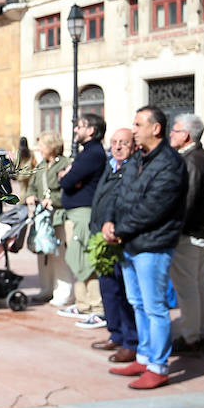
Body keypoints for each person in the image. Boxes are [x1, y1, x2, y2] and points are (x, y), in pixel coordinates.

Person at [102, 106, 185, 390]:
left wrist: (120, 230)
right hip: (129, 243)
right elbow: (120, 193)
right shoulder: (139, 157)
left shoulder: (170, 164)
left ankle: (159, 366)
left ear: (156, 128)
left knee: (155, 307)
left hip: (153, 244)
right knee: (137, 303)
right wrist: (110, 221)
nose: (133, 129)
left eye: (138, 124)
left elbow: (155, 208)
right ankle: (144, 355)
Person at [89, 128, 139, 363]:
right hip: (101, 236)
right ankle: (115, 333)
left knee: (124, 292)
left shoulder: (133, 169)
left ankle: (131, 340)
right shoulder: (111, 166)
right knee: (108, 290)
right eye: (115, 142)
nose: (118, 147)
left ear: (133, 146)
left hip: (119, 238)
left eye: (124, 143)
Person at [168, 113, 204, 354]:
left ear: (185, 135)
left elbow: (189, 200)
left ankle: (191, 337)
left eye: (174, 131)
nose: (170, 135)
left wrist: (174, 229)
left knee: (187, 289)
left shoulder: (192, 161)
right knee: (198, 285)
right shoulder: (200, 157)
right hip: (200, 231)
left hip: (189, 234)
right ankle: (202, 333)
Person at [57, 113, 107, 326]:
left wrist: (67, 176)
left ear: (91, 130)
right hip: (76, 212)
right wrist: (67, 176)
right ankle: (83, 303)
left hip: (83, 213)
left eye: (80, 126)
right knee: (76, 258)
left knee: (85, 260)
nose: (76, 130)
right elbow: (69, 179)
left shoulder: (93, 153)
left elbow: (68, 181)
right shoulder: (87, 152)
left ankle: (97, 307)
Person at [24, 132, 70, 306]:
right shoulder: (41, 166)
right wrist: (30, 196)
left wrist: (53, 200)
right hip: (42, 217)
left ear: (52, 146)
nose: (39, 149)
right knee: (43, 254)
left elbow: (67, 192)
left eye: (42, 145)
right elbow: (32, 187)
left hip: (58, 216)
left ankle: (63, 292)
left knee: (59, 255)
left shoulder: (66, 164)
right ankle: (46, 289)